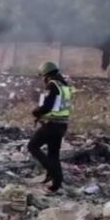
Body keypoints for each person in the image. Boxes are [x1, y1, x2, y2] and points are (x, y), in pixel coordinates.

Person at [28, 61, 72, 193]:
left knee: (32, 146)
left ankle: (53, 173)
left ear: (46, 74)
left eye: (42, 76)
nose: (43, 79)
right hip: (62, 125)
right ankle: (56, 184)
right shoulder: (64, 85)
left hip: (52, 124)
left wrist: (36, 112)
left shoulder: (52, 85)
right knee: (53, 154)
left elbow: (47, 106)